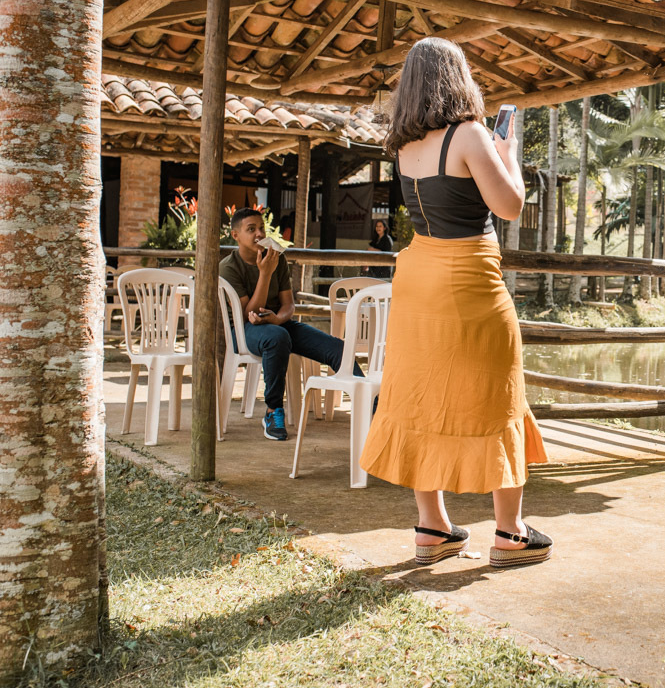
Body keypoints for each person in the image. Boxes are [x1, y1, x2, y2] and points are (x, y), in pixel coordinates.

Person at [357, 37, 551, 569]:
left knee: (422, 392)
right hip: (469, 276)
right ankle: (509, 532)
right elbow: (509, 207)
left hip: (417, 275)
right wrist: (509, 155)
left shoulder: (403, 146)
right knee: (497, 392)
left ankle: (432, 526)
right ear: (458, 79)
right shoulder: (469, 134)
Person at [220, 208, 363, 441]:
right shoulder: (229, 267)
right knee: (277, 337)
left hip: (279, 325)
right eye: (251, 229)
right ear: (235, 235)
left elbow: (289, 305)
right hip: (245, 331)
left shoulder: (277, 257)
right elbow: (250, 313)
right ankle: (272, 410)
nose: (259, 234)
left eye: (261, 228)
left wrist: (278, 318)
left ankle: (372, 408)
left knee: (339, 349)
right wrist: (265, 273)